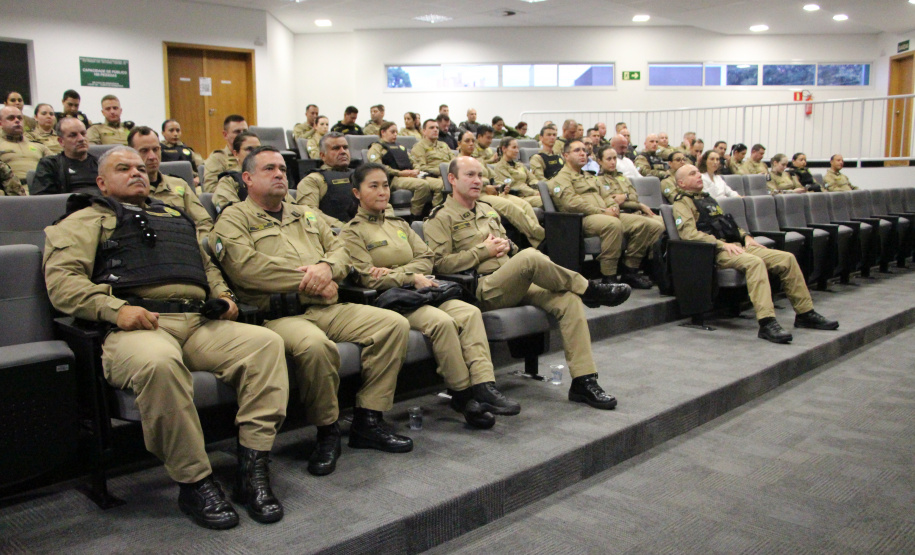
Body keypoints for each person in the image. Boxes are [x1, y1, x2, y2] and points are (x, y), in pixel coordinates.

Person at [44, 146, 289, 529]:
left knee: (266, 344)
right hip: (136, 325)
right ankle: (195, 481)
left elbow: (207, 268)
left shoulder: (176, 217)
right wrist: (114, 310)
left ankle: (252, 466)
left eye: (141, 167)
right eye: (123, 168)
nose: (137, 173)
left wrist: (223, 298)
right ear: (101, 182)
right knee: (158, 362)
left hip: (197, 322)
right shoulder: (83, 220)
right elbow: (63, 284)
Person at [213, 145, 414, 474]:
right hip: (280, 316)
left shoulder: (304, 214)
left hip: (327, 306)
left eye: (281, 168)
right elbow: (247, 269)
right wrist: (313, 277)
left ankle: (368, 418)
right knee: (316, 347)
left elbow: (341, 249)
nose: (280, 174)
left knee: (392, 325)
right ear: (247, 178)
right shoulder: (234, 219)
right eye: (269, 169)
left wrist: (326, 269)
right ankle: (327, 430)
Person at [424, 156, 631, 410]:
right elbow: (439, 265)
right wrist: (483, 252)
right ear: (452, 179)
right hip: (480, 290)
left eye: (480, 175)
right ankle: (590, 288)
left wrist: (506, 245)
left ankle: (584, 381)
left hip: (510, 282)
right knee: (531, 256)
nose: (477, 181)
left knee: (567, 299)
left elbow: (510, 250)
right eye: (469, 175)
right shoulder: (440, 217)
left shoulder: (488, 208)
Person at [341, 163, 519, 428]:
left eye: (386, 185)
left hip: (423, 290)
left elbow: (427, 258)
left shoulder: (398, 223)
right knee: (442, 322)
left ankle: (484, 385)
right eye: (373, 186)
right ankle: (462, 394)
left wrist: (399, 272)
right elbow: (368, 277)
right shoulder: (351, 232)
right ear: (357, 193)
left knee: (469, 312)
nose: (382, 191)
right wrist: (409, 276)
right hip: (391, 300)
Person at [672, 164, 839, 343]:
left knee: (786, 259)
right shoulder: (682, 203)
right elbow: (689, 234)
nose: (698, 175)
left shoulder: (707, 199)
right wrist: (721, 244)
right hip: (713, 251)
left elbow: (728, 224)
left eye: (698, 172)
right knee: (755, 262)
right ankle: (767, 322)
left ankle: (805, 313)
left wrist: (746, 237)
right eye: (692, 174)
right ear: (681, 183)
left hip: (736, 245)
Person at [551, 141, 658, 289]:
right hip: (581, 219)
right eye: (577, 150)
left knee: (643, 223)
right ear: (565, 155)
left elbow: (607, 196)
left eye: (584, 150)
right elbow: (572, 204)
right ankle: (609, 277)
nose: (583, 153)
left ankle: (630, 270)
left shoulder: (590, 176)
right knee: (612, 225)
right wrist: (603, 212)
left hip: (605, 214)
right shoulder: (560, 178)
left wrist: (613, 207)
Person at [459, 130, 545, 249]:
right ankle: (543, 237)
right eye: (467, 141)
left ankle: (539, 244)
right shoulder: (457, 163)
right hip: (479, 194)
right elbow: (463, 183)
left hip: (494, 192)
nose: (471, 144)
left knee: (525, 205)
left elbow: (493, 176)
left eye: (473, 141)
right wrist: (485, 186)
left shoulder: (479, 160)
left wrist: (500, 187)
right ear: (459, 143)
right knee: (511, 207)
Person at [129, 126, 213, 243]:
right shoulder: (127, 189)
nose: (152, 156)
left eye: (156, 149)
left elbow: (203, 222)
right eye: (144, 151)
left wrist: (196, 246)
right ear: (130, 153)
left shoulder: (179, 184)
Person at [365, 121, 443, 217]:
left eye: (396, 132)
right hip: (393, 178)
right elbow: (378, 167)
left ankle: (434, 214)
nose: (395, 135)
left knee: (440, 184)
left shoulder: (400, 147)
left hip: (411, 175)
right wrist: (400, 173)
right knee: (423, 185)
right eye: (392, 132)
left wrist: (416, 170)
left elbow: (414, 161)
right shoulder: (377, 147)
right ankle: (415, 216)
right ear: (383, 132)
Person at [296, 132, 356, 227]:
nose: (343, 151)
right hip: (333, 235)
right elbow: (308, 212)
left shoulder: (361, 176)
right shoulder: (313, 180)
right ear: (323, 155)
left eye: (345, 147)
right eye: (336, 148)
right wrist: (341, 227)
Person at [31, 117, 99, 195]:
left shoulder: (101, 164)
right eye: (73, 135)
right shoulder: (50, 165)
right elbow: (43, 200)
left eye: (83, 133)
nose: (81, 139)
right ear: (61, 141)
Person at [1, 105, 51, 181]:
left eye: (20, 118)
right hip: (10, 190)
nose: (17, 120)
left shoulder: (38, 146)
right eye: (11, 118)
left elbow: (57, 165)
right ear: (1, 123)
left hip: (40, 189)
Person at [491, 137, 543, 208]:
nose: (517, 151)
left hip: (528, 194)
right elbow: (514, 185)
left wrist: (541, 189)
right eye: (514, 147)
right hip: (517, 197)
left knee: (549, 197)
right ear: (504, 149)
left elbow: (532, 179)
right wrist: (534, 192)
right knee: (544, 200)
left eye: (517, 148)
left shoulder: (520, 165)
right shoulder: (500, 167)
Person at [203, 114, 247, 193]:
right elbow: (210, 189)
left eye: (245, 131)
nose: (242, 135)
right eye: (237, 132)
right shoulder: (218, 158)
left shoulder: (254, 155)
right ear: (225, 135)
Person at [160, 119, 204, 184]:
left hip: (191, 183)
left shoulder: (187, 149)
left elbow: (203, 167)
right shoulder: (158, 149)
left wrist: (198, 178)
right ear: (163, 133)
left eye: (178, 130)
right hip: (167, 184)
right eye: (171, 130)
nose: (175, 134)